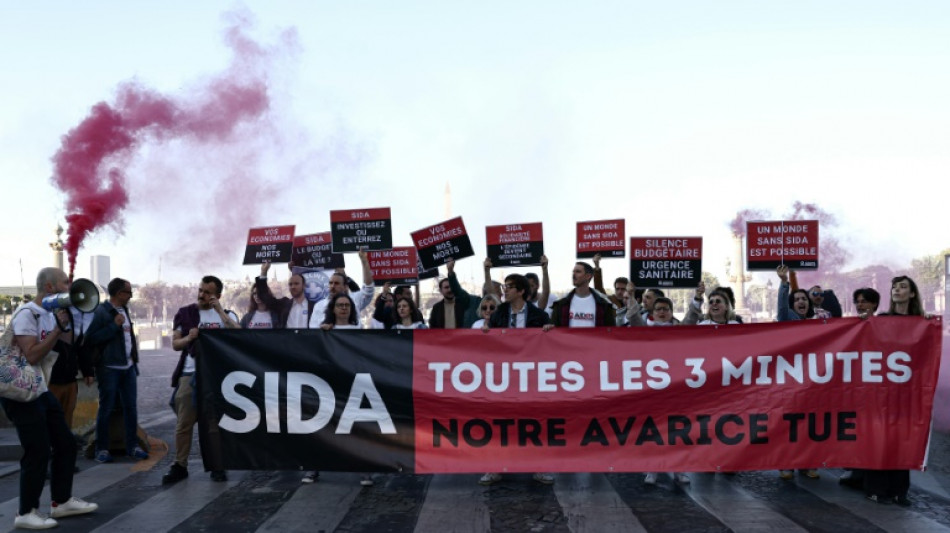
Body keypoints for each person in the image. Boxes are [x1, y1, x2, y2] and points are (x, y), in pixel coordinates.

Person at [4, 267, 97, 529]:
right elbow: (32, 355)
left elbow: (67, 344)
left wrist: (66, 322)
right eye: (65, 283)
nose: (70, 287)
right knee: (38, 449)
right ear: (49, 288)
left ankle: (61, 501)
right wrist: (57, 329)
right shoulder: (27, 314)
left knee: (66, 443)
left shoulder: (47, 314)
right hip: (19, 392)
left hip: (38, 389)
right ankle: (26, 512)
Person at [163, 275, 239, 485]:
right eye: (200, 290)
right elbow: (176, 344)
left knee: (214, 423)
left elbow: (241, 335)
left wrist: (221, 313)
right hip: (190, 373)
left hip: (215, 375)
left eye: (207, 292)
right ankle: (180, 464)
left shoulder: (227, 314)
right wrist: (190, 337)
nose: (202, 295)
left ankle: (217, 465)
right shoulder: (186, 313)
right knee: (184, 423)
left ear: (217, 295)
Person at [478, 274, 553, 485]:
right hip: (503, 377)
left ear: (521, 291)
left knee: (534, 422)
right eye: (505, 287)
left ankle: (539, 467)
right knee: (500, 422)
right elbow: (490, 342)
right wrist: (486, 332)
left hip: (530, 377)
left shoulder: (538, 316)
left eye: (510, 287)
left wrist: (548, 332)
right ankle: (495, 467)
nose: (505, 290)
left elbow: (549, 346)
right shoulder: (499, 313)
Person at [864, 276, 928, 506]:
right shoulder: (882, 319)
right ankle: (876, 488)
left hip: (907, 394)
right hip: (881, 393)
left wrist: (929, 324)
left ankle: (900, 491)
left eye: (903, 287)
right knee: (881, 439)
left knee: (903, 440)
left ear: (912, 294)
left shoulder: (921, 322)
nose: (896, 290)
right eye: (894, 286)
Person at [625, 290, 690, 484]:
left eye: (666, 309)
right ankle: (651, 468)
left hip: (675, 387)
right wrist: (630, 300)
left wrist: (697, 299)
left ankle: (679, 469)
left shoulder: (680, 329)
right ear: (652, 312)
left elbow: (692, 318)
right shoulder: (645, 328)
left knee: (676, 430)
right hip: (651, 387)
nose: (662, 312)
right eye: (658, 309)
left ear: (671, 312)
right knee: (652, 430)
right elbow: (634, 318)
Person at [85, 278, 148, 464]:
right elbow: (91, 339)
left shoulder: (124, 310)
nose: (131, 295)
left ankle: (132, 447)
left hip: (128, 368)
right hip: (109, 369)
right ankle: (101, 449)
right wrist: (113, 326)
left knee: (131, 408)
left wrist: (133, 361)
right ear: (119, 293)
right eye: (128, 292)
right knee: (106, 408)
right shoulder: (102, 312)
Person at [318, 293, 376, 487]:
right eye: (340, 305)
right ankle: (314, 467)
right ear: (333, 309)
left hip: (354, 386)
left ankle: (364, 471)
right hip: (330, 385)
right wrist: (322, 333)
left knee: (358, 430)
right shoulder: (324, 330)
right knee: (324, 427)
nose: (343, 308)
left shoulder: (358, 330)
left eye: (347, 305)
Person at [774, 265, 820, 480]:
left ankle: (807, 462)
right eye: (797, 299)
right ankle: (786, 463)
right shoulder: (787, 321)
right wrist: (785, 284)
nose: (801, 301)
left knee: (809, 425)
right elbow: (782, 310)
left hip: (812, 384)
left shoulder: (819, 324)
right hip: (789, 383)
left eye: (804, 299)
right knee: (787, 425)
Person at [838, 287, 881, 490]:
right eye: (858, 301)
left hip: (875, 389)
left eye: (864, 301)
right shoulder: (849, 326)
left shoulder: (883, 325)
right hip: (854, 389)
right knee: (855, 431)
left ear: (874, 304)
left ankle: (868, 472)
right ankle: (855, 470)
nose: (860, 305)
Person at [309, 250, 375, 328]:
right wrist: (323, 329)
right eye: (330, 283)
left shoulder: (355, 299)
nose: (332, 286)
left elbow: (368, 289)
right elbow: (313, 329)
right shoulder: (319, 305)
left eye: (336, 283)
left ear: (345, 287)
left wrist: (364, 262)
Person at [547, 262, 616, 328]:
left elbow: (611, 331)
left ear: (588, 276)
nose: (573, 275)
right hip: (568, 340)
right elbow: (554, 328)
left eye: (578, 272)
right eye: (573, 272)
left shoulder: (603, 304)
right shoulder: (561, 303)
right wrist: (549, 327)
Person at [255, 262, 310, 329]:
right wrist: (264, 272)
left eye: (296, 283)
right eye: (290, 284)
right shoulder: (284, 304)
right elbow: (264, 296)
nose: (293, 287)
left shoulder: (314, 306)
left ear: (304, 286)